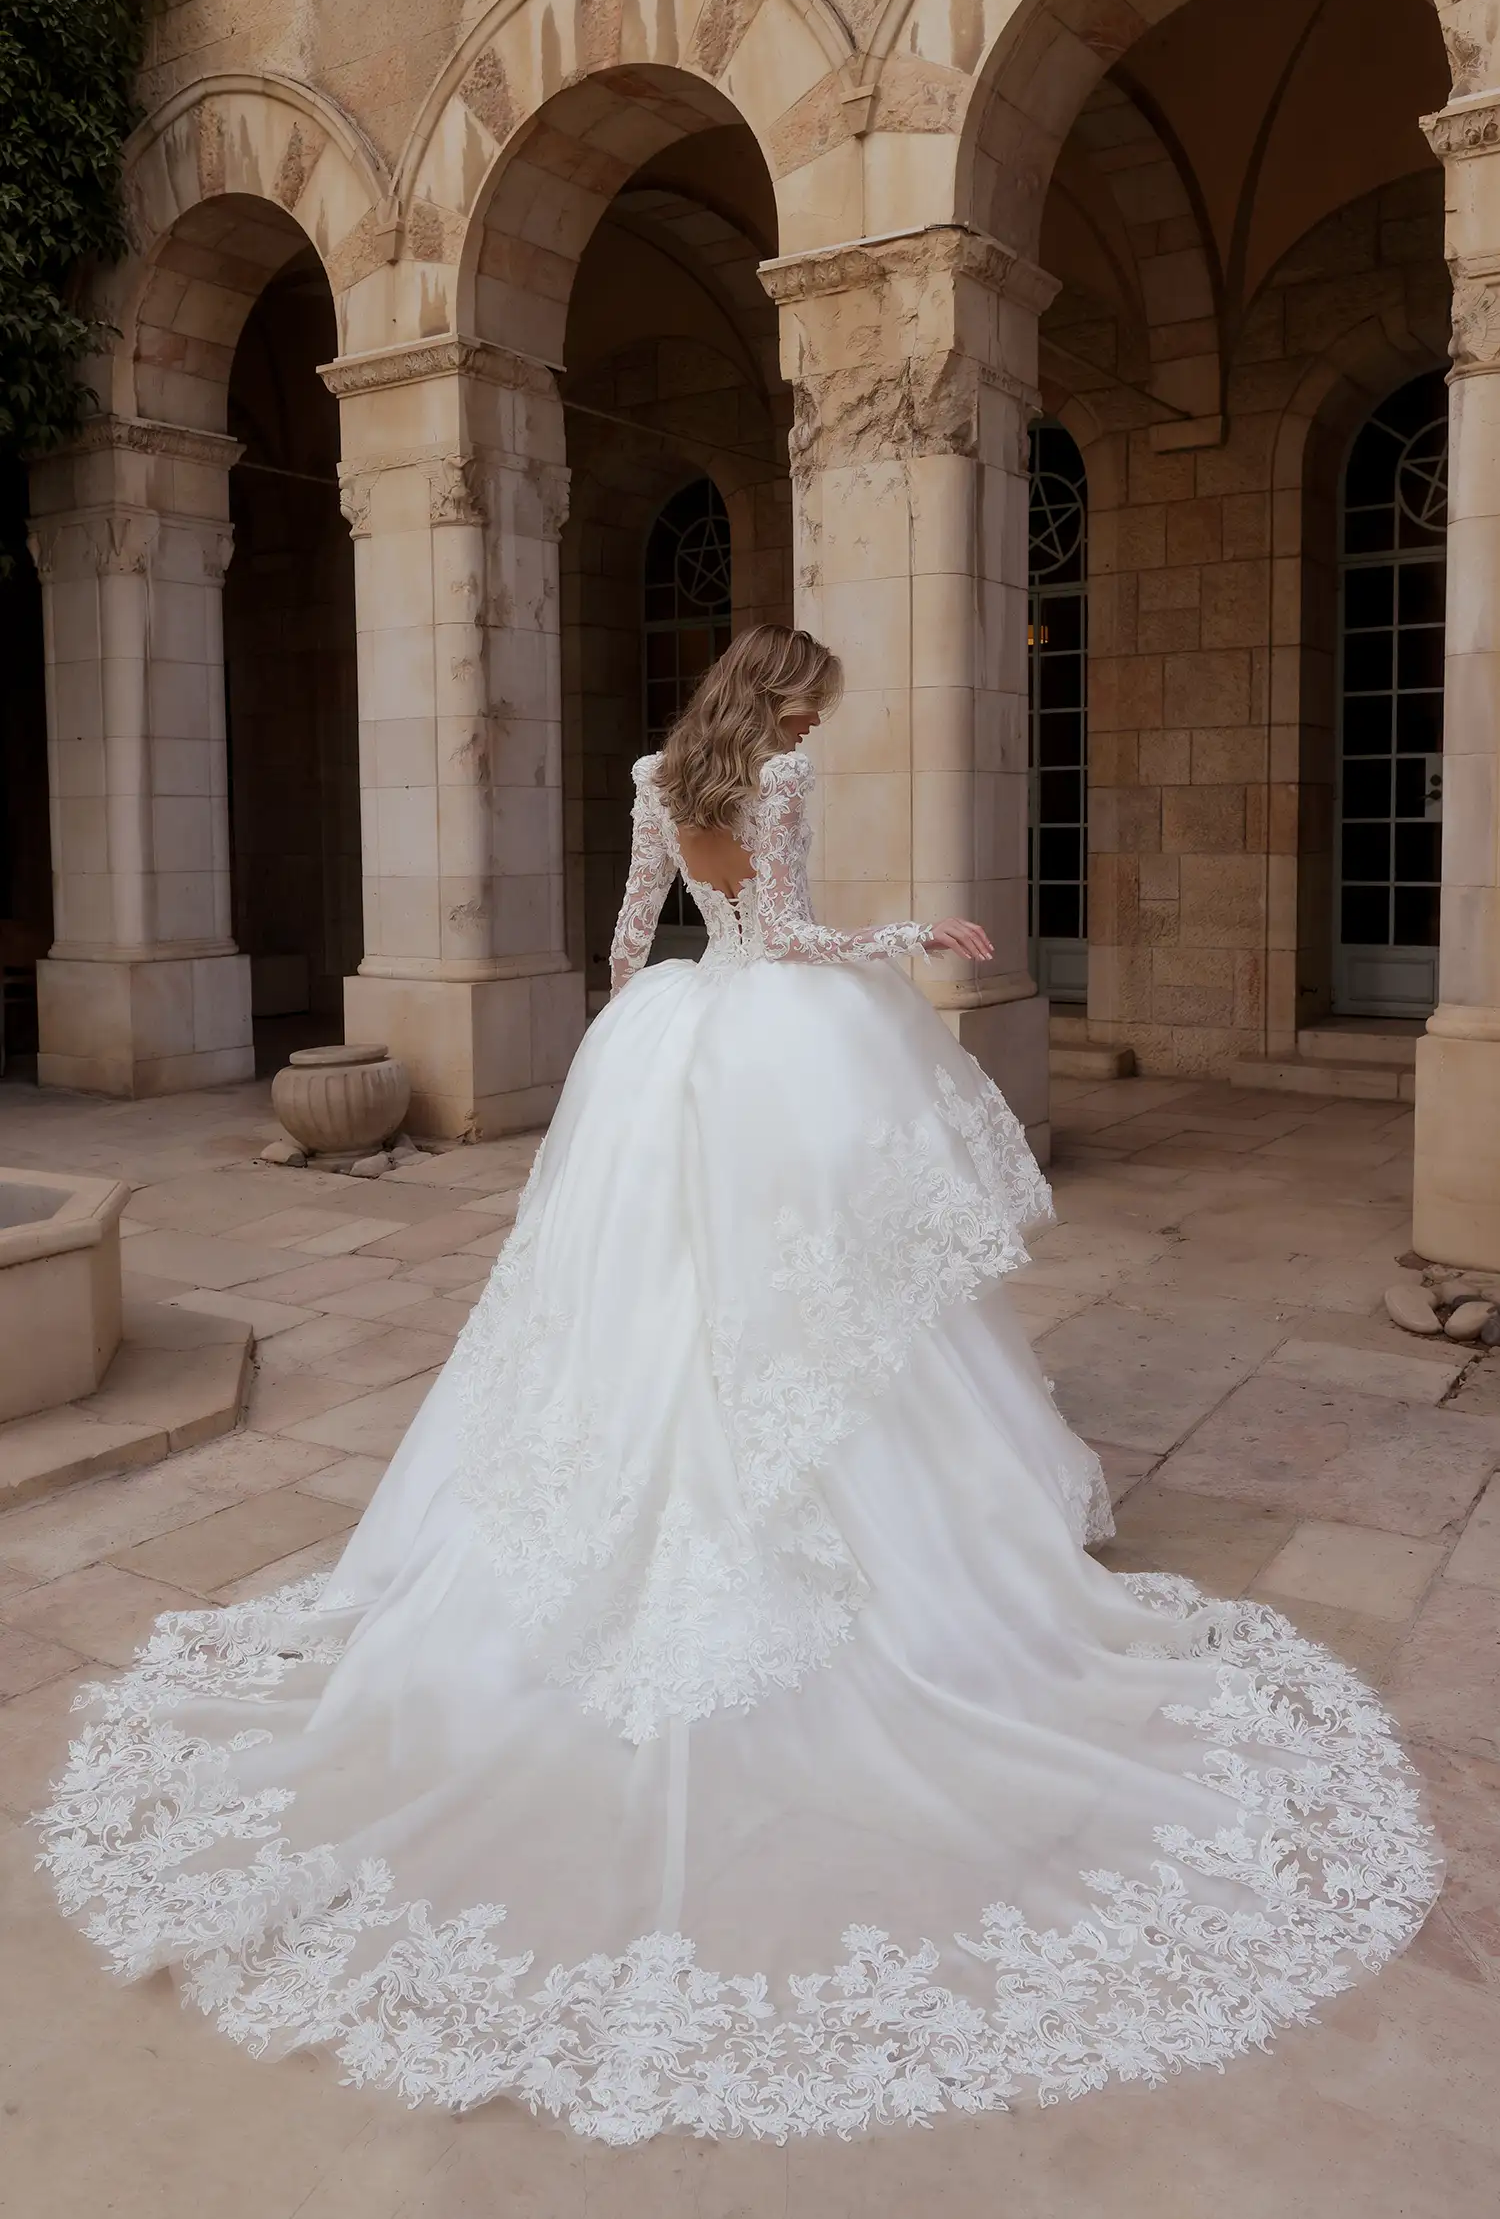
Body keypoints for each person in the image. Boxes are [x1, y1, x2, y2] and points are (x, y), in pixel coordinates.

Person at [37, 625, 1439, 2146]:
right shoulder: (778, 772)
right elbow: (790, 931)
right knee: (818, 1296)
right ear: (784, 699)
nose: (816, 723)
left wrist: (633, 1065)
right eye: (814, 702)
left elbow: (643, 935)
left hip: (675, 1047)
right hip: (769, 1035)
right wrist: (915, 932)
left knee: (636, 1306)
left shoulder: (656, 774)